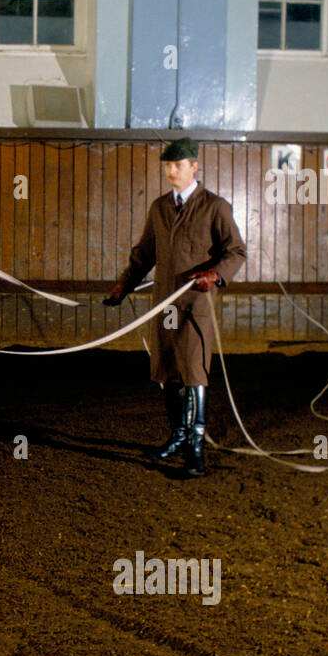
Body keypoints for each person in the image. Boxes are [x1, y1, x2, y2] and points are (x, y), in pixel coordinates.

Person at [103, 137, 247, 476]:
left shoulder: (215, 207)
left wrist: (215, 274)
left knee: (195, 370)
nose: (171, 171)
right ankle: (178, 435)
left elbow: (236, 251)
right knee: (167, 370)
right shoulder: (159, 209)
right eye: (167, 166)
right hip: (165, 305)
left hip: (196, 305)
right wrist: (125, 284)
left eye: (177, 165)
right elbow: (144, 255)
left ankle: (196, 447)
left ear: (194, 166)